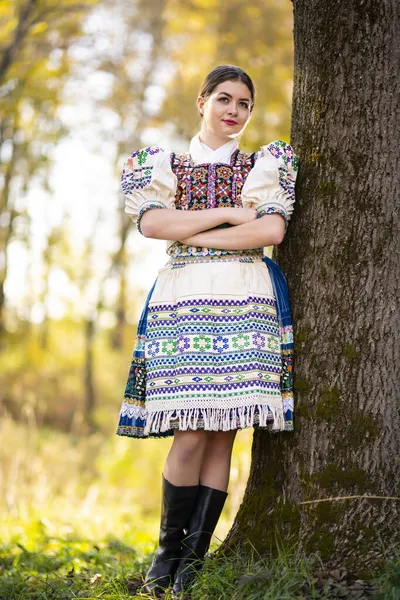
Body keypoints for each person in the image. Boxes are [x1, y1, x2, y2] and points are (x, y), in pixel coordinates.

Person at [116, 64, 298, 597]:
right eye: (224, 99)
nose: (233, 111)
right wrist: (226, 216)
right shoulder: (164, 164)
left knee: (223, 433)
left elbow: (271, 229)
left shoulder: (263, 164)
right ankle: (165, 554)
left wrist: (195, 232)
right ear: (202, 102)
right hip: (184, 303)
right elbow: (153, 224)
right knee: (191, 429)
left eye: (243, 103)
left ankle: (192, 560)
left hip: (247, 300)